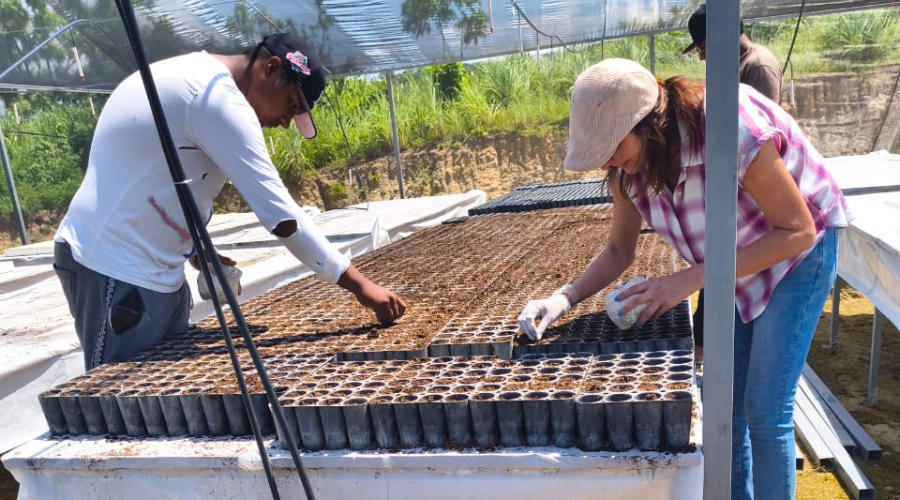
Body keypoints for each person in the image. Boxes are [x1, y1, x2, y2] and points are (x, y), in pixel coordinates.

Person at [517, 59, 849, 500]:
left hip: (799, 253)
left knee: (766, 407)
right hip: (737, 259)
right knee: (725, 407)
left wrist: (685, 281)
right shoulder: (627, 168)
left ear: (647, 122)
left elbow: (798, 230)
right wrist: (563, 298)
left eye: (612, 146)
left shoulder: (730, 129)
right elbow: (620, 249)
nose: (609, 161)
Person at [54, 33, 407, 371]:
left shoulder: (196, 78)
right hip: (115, 267)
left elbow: (159, 175)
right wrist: (361, 287)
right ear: (270, 68)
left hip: (153, 271)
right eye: (291, 105)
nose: (285, 122)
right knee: (123, 400)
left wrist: (196, 249)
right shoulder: (214, 98)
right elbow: (283, 218)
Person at [682, 3, 785, 362]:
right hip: (733, 201)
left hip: (753, 201)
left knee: (719, 281)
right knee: (715, 281)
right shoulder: (733, 65)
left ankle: (711, 361)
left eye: (705, 50)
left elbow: (758, 140)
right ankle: (711, 359)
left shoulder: (756, 67)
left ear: (724, 37)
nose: (703, 59)